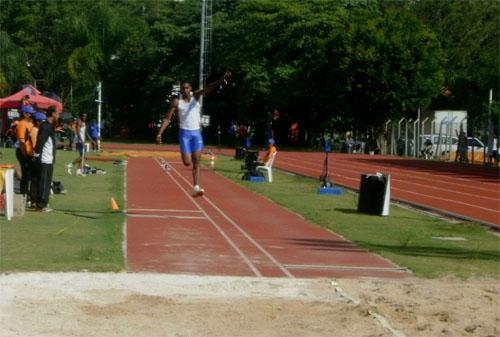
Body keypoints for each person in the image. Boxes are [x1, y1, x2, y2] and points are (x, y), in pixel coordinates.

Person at [156, 70, 230, 197]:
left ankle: (195, 187)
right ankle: (193, 179)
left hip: (196, 133)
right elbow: (168, 119)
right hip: (184, 134)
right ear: (181, 90)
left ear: (190, 88)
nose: (185, 90)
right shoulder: (176, 102)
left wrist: (221, 79)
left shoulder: (196, 96)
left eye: (187, 87)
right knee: (187, 162)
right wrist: (159, 133)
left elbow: (208, 88)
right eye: (183, 88)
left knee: (196, 161)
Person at [33, 106, 59, 212]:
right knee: (43, 182)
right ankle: (40, 205)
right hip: (44, 159)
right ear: (52, 114)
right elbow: (40, 142)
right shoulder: (45, 126)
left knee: (46, 182)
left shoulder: (50, 126)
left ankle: (42, 203)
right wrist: (36, 154)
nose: (58, 115)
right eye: (57, 113)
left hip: (49, 158)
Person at [27, 112, 47, 208]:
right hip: (36, 157)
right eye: (42, 121)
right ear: (38, 122)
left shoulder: (36, 129)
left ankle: (34, 200)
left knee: (36, 179)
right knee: (36, 179)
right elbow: (36, 146)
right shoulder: (35, 131)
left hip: (37, 156)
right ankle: (34, 200)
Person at [15, 105, 34, 199]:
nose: (31, 115)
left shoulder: (30, 123)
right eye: (29, 113)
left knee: (29, 174)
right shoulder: (22, 124)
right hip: (23, 152)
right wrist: (25, 154)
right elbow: (22, 141)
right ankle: (24, 194)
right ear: (24, 113)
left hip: (29, 152)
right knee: (26, 174)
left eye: (31, 113)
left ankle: (27, 193)